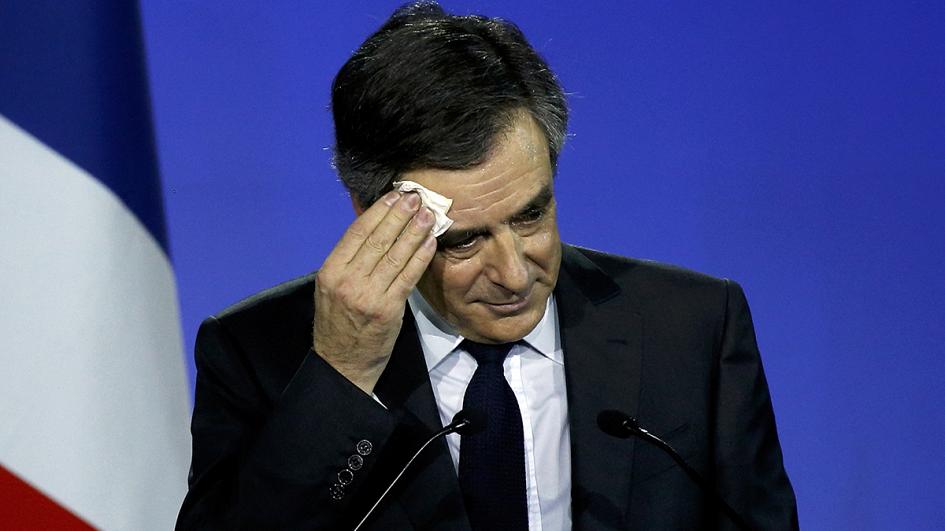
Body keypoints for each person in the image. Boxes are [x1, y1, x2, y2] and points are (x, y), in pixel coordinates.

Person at [177, 3, 798, 529]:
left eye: (531, 215)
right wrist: (344, 374)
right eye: (464, 241)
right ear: (369, 214)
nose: (515, 273)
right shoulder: (259, 354)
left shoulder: (692, 328)